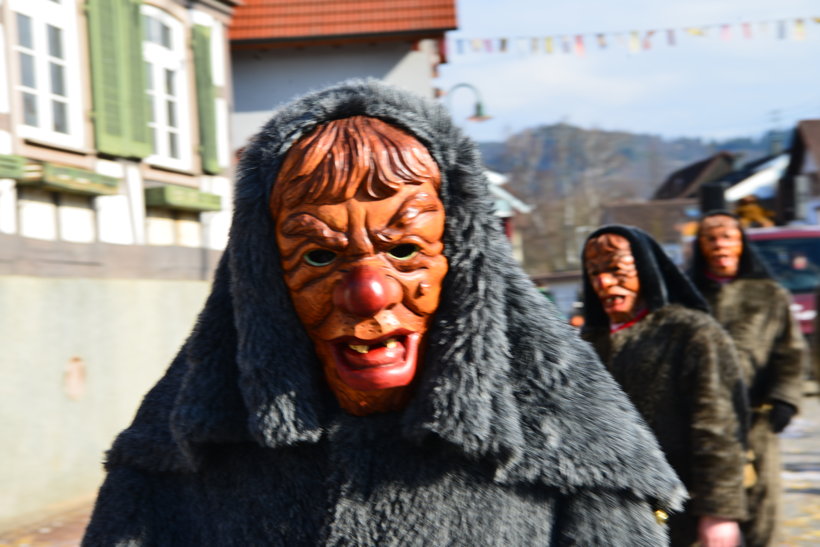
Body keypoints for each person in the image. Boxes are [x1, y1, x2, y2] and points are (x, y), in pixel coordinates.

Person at [82, 80, 685, 546]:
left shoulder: (572, 452)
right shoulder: (178, 459)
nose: (367, 293)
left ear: (465, 263)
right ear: (264, 278)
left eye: (403, 250)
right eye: (319, 254)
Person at [580, 225, 749, 547]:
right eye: (594, 273)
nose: (603, 282)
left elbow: (719, 427)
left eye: (616, 270)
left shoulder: (691, 332)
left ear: (646, 270)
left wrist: (719, 513)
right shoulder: (587, 344)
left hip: (682, 505)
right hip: (609, 512)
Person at [691, 212, 806, 547]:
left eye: (728, 237)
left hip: (756, 418)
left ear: (741, 244)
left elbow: (790, 352)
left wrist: (785, 399)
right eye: (710, 239)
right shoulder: (687, 295)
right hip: (699, 421)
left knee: (762, 507)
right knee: (706, 510)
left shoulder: (769, 294)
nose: (720, 245)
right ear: (700, 247)